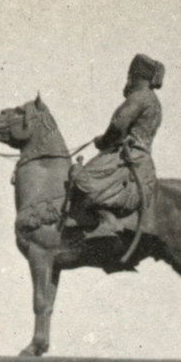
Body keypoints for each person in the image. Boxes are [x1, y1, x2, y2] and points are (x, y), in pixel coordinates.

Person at [70, 53, 165, 240]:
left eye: (130, 75)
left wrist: (104, 141)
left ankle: (106, 223)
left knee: (82, 177)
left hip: (127, 157)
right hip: (141, 159)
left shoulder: (140, 97)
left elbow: (118, 125)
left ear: (137, 76)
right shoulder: (153, 101)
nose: (128, 80)